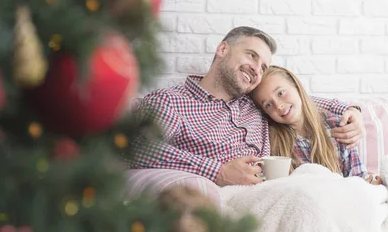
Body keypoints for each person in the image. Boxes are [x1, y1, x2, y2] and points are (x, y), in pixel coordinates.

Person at [131, 26, 365, 186]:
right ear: (223, 50)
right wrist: (218, 172)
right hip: (226, 195)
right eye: (252, 56)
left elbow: (301, 103)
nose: (257, 68)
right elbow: (136, 146)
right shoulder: (173, 102)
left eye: (263, 66)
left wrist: (352, 112)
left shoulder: (256, 104)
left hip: (274, 192)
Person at [250, 65, 382, 184]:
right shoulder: (273, 141)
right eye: (268, 104)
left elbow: (357, 178)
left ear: (296, 86)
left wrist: (371, 184)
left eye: (281, 93)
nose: (278, 106)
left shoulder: (336, 126)